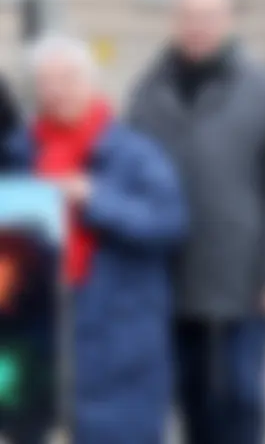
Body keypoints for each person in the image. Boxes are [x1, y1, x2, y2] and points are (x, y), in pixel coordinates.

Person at [124, 0, 265, 444]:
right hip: (172, 273)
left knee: (242, 390)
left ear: (228, 22)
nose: (198, 27)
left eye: (209, 17)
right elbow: (126, 172)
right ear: (175, 23)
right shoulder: (150, 90)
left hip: (246, 274)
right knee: (190, 392)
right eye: (188, 17)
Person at [2, 35, 188, 444]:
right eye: (47, 82)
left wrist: (95, 198)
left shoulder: (135, 153)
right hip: (36, 328)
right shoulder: (18, 154)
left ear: (92, 83)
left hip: (116, 336)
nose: (57, 91)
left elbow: (168, 223)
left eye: (68, 79)